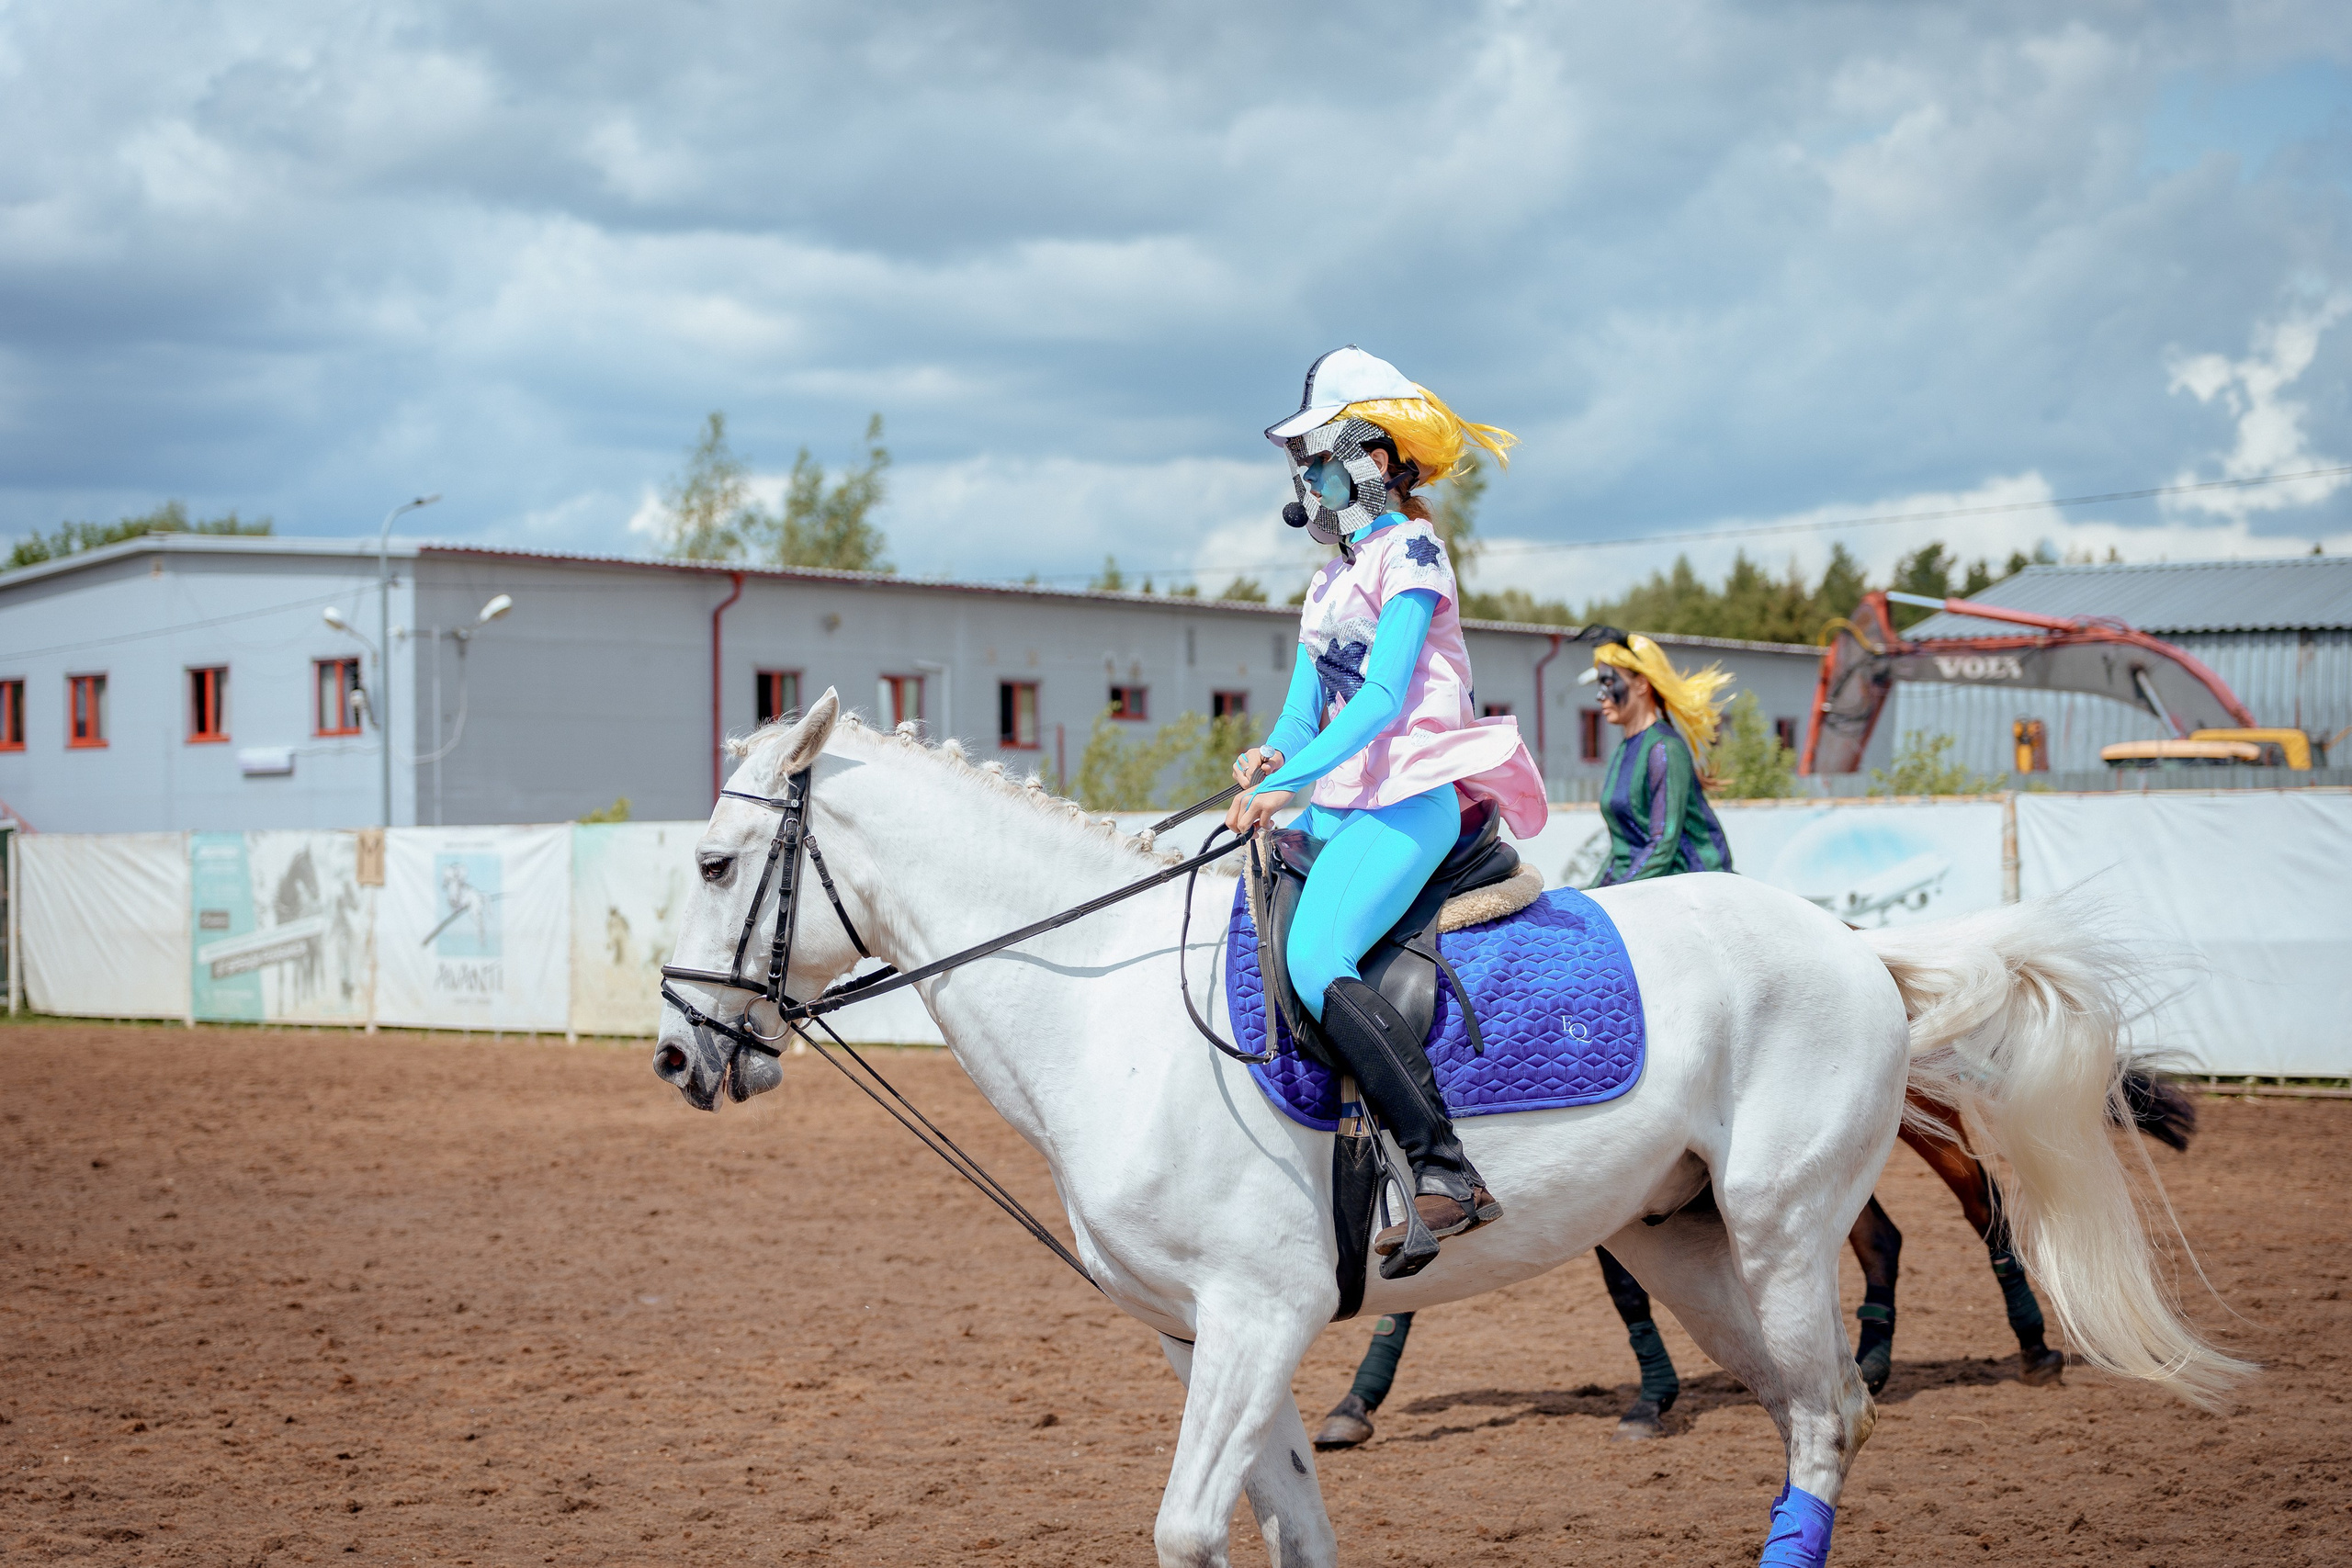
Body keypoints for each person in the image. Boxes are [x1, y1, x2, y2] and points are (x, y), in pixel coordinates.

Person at [1314, 628, 1734, 1449]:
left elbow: (1659, 849)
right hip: (1637, 900)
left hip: (1693, 907)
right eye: (1600, 690)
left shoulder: (1663, 753)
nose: (1603, 701)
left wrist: (1606, 913)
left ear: (1642, 687)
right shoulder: (1624, 752)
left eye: (1612, 687)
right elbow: (1623, 849)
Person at [1228, 345, 1548, 1263]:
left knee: (1315, 953)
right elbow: (1308, 704)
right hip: (1336, 800)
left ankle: (1444, 1169)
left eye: (1317, 459)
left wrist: (1289, 785)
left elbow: (1378, 699)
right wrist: (1272, 756)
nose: (1306, 479)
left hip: (1407, 798)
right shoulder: (1329, 577)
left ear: (1368, 459)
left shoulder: (1412, 551)